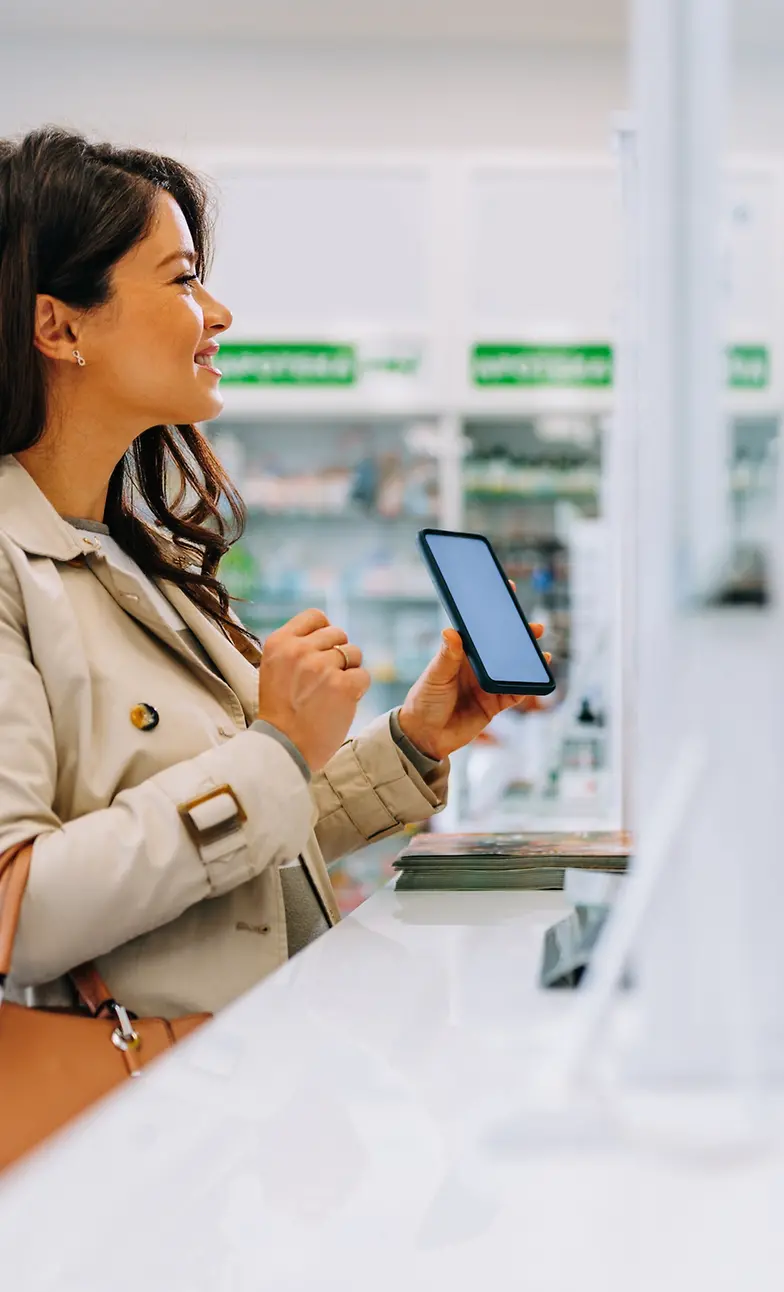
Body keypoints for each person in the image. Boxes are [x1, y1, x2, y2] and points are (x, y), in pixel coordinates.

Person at [0, 128, 542, 1018]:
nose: (217, 313)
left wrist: (410, 742)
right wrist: (276, 745)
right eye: (180, 279)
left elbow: (244, 843)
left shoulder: (142, 563)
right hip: (126, 1121)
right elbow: (17, 913)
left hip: (250, 1095)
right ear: (59, 326)